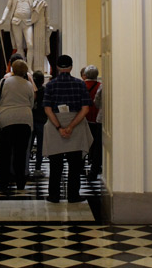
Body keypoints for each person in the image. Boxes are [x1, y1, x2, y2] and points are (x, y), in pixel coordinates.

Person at [43, 54, 92, 203]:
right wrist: (70, 126)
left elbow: (47, 109)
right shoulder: (80, 84)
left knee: (55, 164)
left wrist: (59, 127)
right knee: (75, 165)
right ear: (71, 67)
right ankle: (73, 195)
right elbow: (85, 109)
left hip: (54, 124)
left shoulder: (50, 85)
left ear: (57, 67)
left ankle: (54, 195)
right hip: (75, 126)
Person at [0, 59, 34, 192]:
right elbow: (31, 102)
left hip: (6, 119)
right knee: (20, 153)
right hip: (25, 119)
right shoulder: (28, 85)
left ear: (12, 69)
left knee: (5, 153)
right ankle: (20, 182)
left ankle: (3, 182)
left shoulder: (4, 82)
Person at [0, 0, 50, 72]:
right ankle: (20, 69)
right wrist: (2, 20)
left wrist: (42, 3)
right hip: (16, 22)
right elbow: (8, 8)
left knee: (30, 45)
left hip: (28, 22)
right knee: (19, 46)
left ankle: (29, 67)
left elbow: (38, 3)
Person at [84, 65, 102, 180]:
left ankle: (82, 163)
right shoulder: (100, 86)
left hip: (84, 117)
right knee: (97, 144)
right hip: (96, 118)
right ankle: (95, 163)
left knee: (84, 142)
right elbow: (97, 103)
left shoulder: (82, 85)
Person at [30, 69, 47, 177]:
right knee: (40, 145)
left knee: (29, 144)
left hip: (31, 119)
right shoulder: (45, 90)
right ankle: (38, 167)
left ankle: (25, 166)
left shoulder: (30, 90)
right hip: (41, 120)